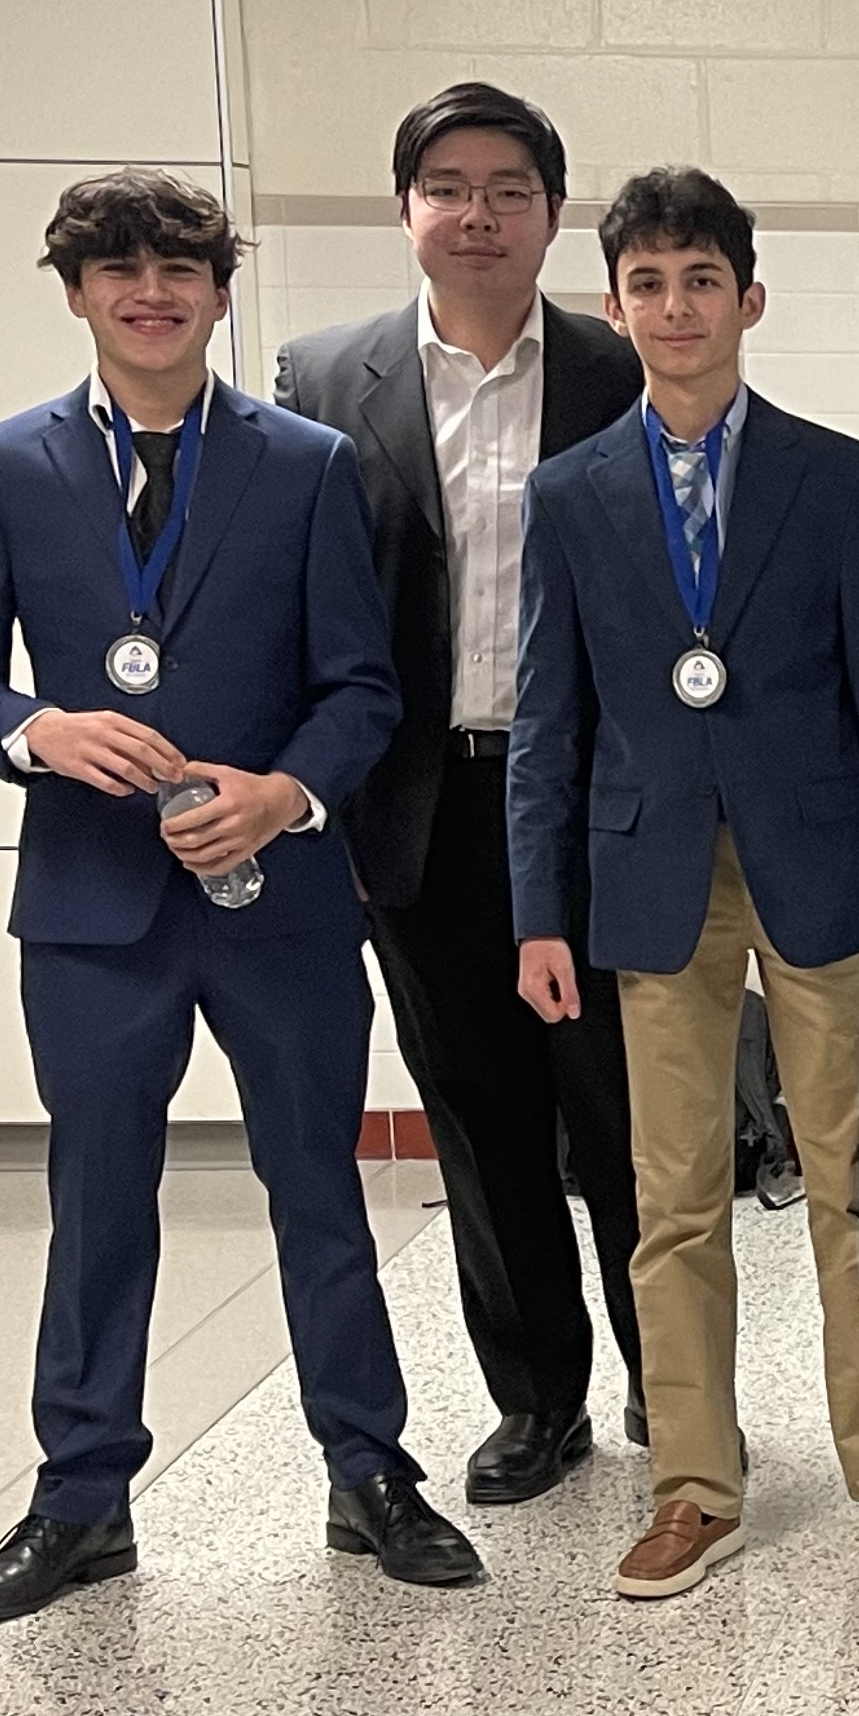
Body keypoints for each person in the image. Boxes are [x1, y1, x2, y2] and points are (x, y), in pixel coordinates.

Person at [0, 169, 481, 1619]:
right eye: (119, 271)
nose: (150, 293)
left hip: (275, 903)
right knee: (98, 1201)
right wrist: (41, 732)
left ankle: (368, 1471)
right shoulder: (5, 467)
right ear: (78, 292)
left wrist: (283, 797)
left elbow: (365, 687)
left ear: (220, 295)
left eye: (180, 269)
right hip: (93, 910)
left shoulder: (304, 463)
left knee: (319, 1196)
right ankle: (82, 1499)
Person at [506, 166, 859, 1600]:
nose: (675, 306)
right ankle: (695, 1486)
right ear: (614, 305)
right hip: (652, 879)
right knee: (673, 1198)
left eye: (701, 279)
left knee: (852, 1178)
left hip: (823, 865)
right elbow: (549, 716)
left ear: (748, 299)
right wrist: (540, 910)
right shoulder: (574, 492)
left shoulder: (834, 475)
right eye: (646, 282)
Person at [277, 81, 647, 1510]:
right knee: (483, 1123)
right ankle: (537, 1400)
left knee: (627, 1117)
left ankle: (668, 1393)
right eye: (449, 185)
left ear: (554, 214)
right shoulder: (321, 380)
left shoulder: (621, 372)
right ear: (407, 209)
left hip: (602, 811)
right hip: (419, 815)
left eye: (509, 187)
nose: (478, 212)